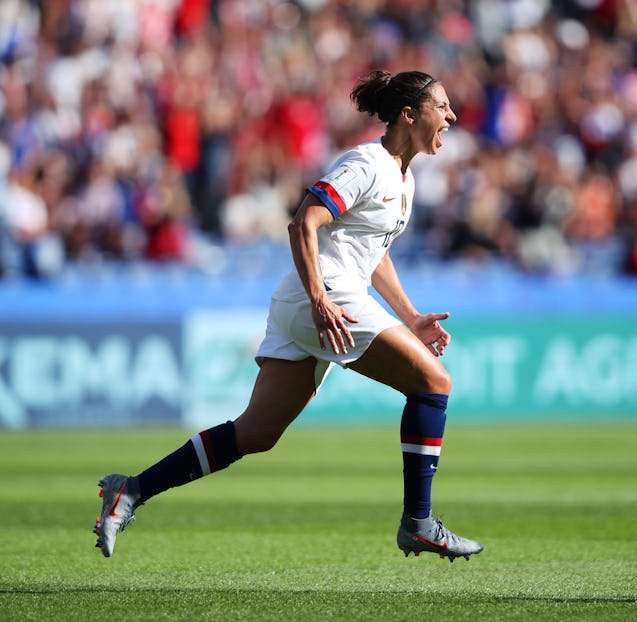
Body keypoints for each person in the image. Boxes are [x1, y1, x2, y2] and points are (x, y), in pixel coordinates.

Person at [94, 70, 484, 562]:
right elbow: (304, 222)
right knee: (433, 381)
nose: (451, 116)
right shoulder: (367, 163)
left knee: (256, 433)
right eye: (442, 107)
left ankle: (129, 490)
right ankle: (419, 523)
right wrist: (321, 299)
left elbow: (371, 248)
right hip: (324, 299)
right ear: (410, 114)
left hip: (315, 299)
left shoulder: (403, 177)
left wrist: (409, 316)